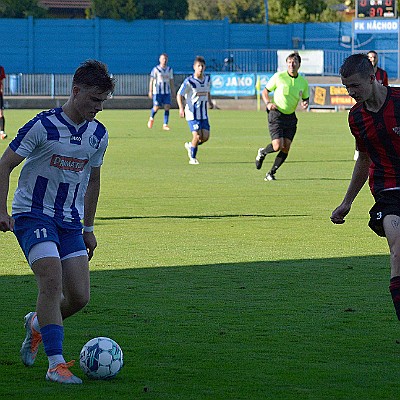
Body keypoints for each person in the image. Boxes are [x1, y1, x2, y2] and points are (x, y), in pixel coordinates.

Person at [0, 60, 115, 384]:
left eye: (103, 102)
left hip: (69, 221)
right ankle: (56, 364)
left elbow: (93, 182)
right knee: (51, 280)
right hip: (32, 214)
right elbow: (4, 165)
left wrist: (88, 228)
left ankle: (37, 324)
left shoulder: (98, 135)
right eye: (94, 100)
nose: (99, 108)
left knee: (78, 297)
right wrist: (1, 210)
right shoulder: (43, 126)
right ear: (76, 91)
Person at [331, 53, 400, 325]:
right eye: (347, 87)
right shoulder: (356, 118)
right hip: (387, 189)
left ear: (372, 78)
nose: (351, 93)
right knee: (397, 247)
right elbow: (364, 158)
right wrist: (347, 202)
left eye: (355, 86)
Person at [255, 52, 309, 181]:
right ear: (286, 63)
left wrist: (305, 103)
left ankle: (271, 173)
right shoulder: (279, 77)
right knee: (277, 146)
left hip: (290, 117)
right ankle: (262, 152)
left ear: (299, 65)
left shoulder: (303, 82)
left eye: (294, 62)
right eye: (289, 62)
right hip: (276, 114)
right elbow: (265, 91)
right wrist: (268, 103)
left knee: (286, 147)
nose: (292, 64)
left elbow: (305, 98)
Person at [177, 55, 213, 165]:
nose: (200, 68)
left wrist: (210, 102)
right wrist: (181, 108)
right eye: (198, 66)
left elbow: (207, 92)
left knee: (205, 137)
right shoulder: (189, 81)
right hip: (192, 113)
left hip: (203, 114)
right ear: (194, 67)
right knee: (197, 136)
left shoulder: (207, 79)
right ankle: (192, 158)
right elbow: (179, 94)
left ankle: (191, 146)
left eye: (202, 66)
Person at [354, 50, 389, 160]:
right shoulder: (361, 74)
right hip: (365, 105)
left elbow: (386, 89)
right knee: (361, 130)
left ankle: (381, 150)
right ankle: (358, 150)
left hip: (380, 106)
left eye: (374, 57)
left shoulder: (383, 74)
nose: (372, 59)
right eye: (370, 57)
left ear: (377, 58)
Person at [147, 53, 176, 131]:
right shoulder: (156, 69)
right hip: (157, 92)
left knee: (167, 107)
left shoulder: (169, 70)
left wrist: (173, 91)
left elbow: (171, 81)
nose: (164, 60)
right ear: (159, 59)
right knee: (156, 107)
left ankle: (165, 124)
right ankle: (151, 118)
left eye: (166, 59)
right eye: (163, 59)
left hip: (166, 92)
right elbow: (151, 81)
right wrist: (150, 91)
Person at [0, 65, 6, 139]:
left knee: (1, 113)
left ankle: (2, 132)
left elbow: (1, 81)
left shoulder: (1, 69)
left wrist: (1, 89)